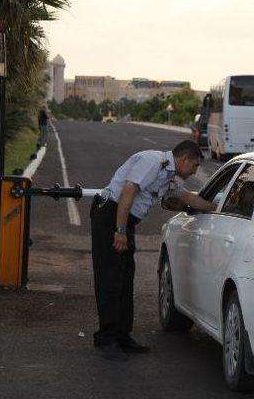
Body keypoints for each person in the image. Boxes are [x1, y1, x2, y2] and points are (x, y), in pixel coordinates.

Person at [90, 140, 216, 361]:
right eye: (194, 165)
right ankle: (107, 339)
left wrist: (218, 208)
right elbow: (128, 192)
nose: (195, 170)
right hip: (111, 216)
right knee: (110, 280)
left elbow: (187, 197)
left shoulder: (167, 175)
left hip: (124, 221)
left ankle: (122, 335)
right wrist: (119, 230)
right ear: (184, 159)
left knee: (125, 278)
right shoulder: (153, 161)